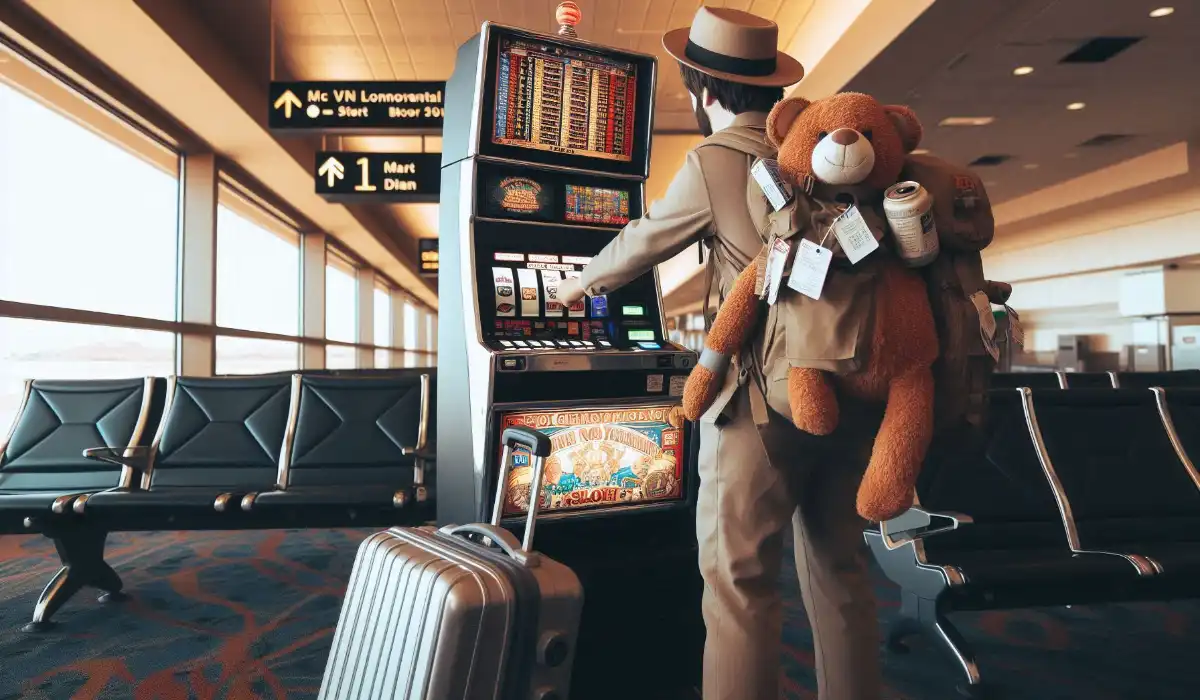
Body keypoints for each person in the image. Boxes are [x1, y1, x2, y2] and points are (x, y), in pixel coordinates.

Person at [555, 7, 883, 700]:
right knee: (842, 573)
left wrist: (576, 284)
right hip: (851, 390)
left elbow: (648, 239)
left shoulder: (717, 159)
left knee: (739, 584)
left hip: (760, 406)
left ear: (703, 91)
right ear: (770, 86)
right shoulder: (831, 155)